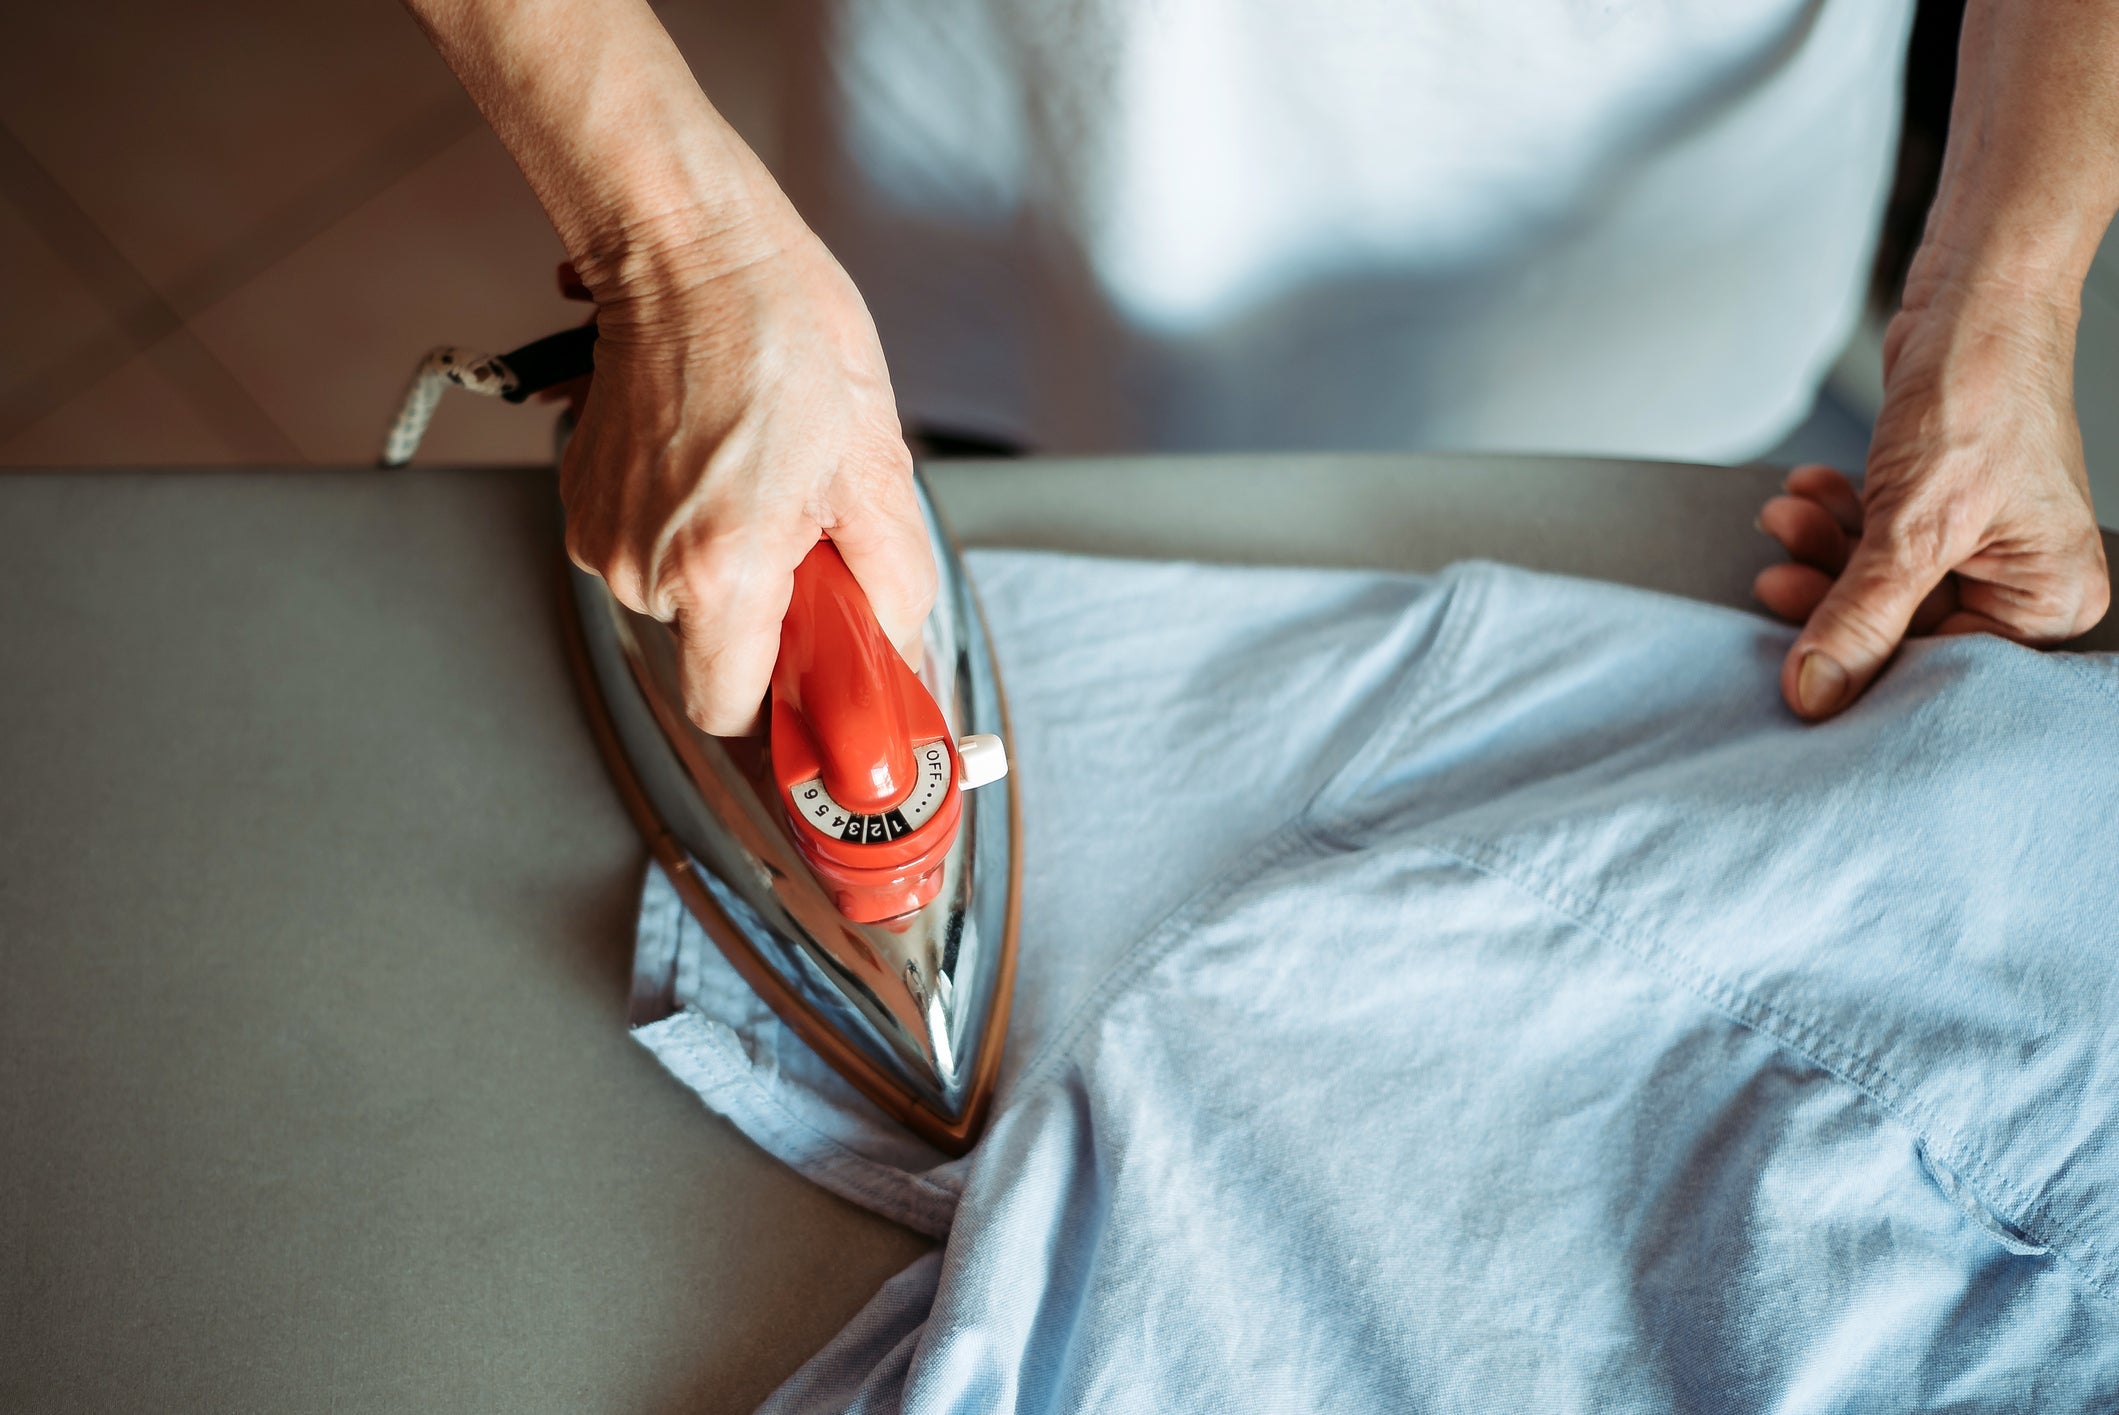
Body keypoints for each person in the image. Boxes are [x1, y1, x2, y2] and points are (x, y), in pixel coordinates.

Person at [404, 0, 2112, 729]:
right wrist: (674, 242)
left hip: (1663, 210)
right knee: (961, 458)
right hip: (1026, 135)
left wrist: (2008, 301)